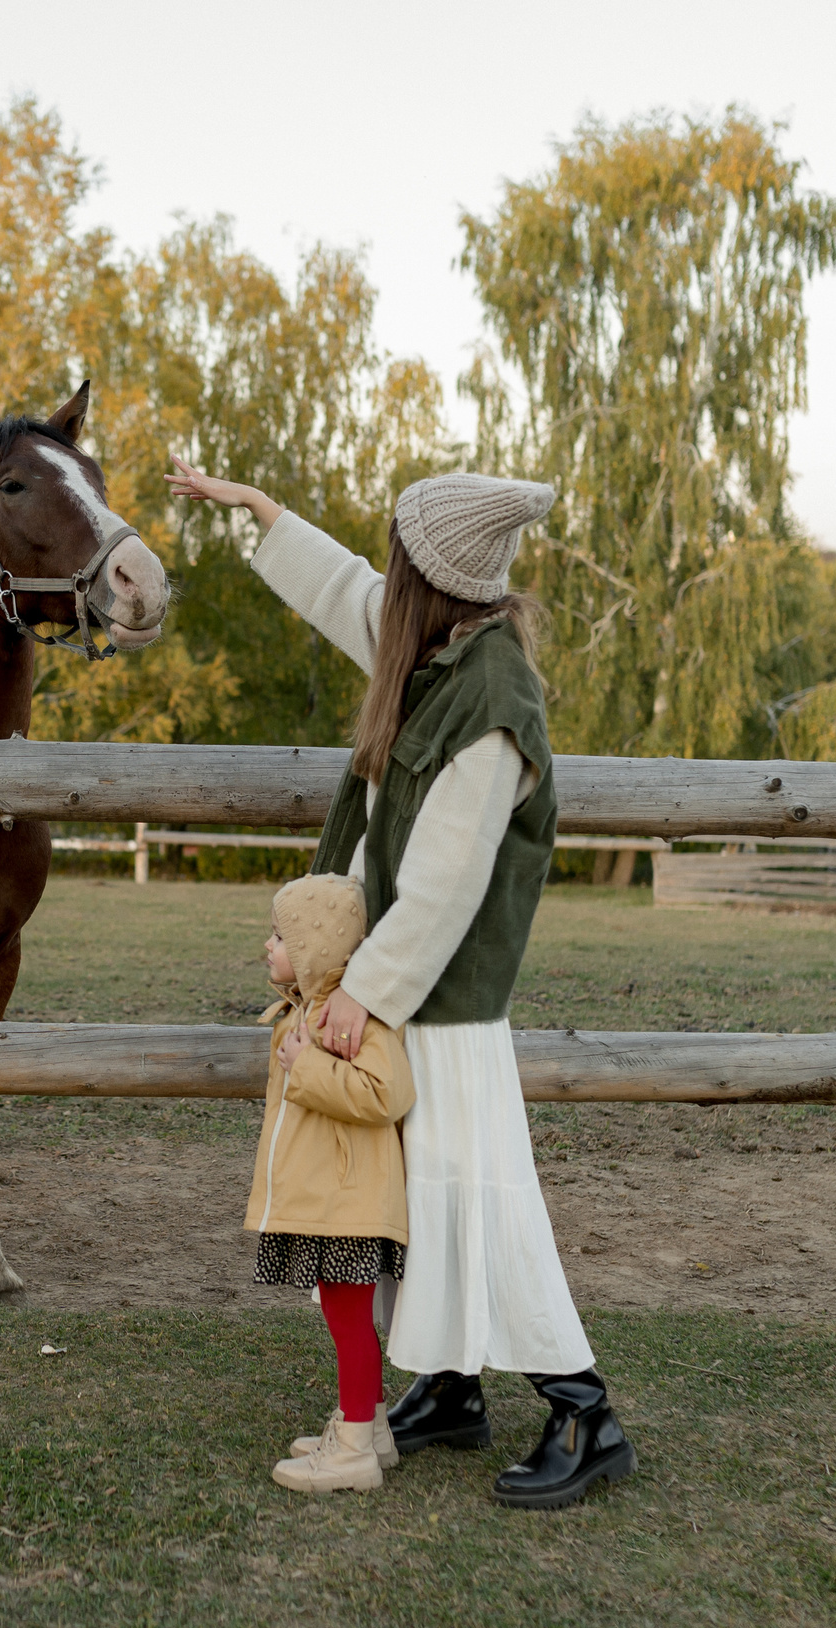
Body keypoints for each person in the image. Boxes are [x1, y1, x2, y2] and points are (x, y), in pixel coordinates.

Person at [168, 459, 634, 1511]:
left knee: (478, 1201)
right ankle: (451, 1391)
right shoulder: (434, 645)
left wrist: (362, 992)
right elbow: (347, 592)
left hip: (444, 1008)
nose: (387, 573)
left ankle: (584, 1411)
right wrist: (261, 512)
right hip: (403, 998)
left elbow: (442, 885)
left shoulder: (493, 699)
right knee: (418, 1201)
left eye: (401, 555)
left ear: (435, 576)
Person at [249, 874, 415, 1493]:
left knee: (348, 1324)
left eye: (280, 936)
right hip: (331, 1199)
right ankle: (371, 1431)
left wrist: (309, 1066)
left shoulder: (352, 1022)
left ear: (314, 949)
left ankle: (352, 1454)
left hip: (349, 1204)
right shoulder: (311, 1010)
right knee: (348, 1321)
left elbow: (387, 1093)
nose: (268, 946)